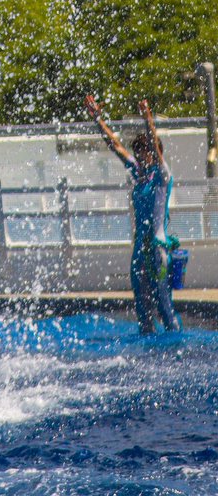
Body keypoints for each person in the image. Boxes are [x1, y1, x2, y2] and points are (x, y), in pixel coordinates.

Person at [84, 94, 181, 335]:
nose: (138, 155)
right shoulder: (138, 174)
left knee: (162, 301)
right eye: (136, 151)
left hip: (157, 248)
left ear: (154, 152)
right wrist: (97, 119)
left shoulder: (162, 175)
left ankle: (175, 340)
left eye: (143, 151)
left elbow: (152, 139)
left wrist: (147, 117)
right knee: (141, 301)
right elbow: (115, 146)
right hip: (140, 247)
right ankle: (147, 339)